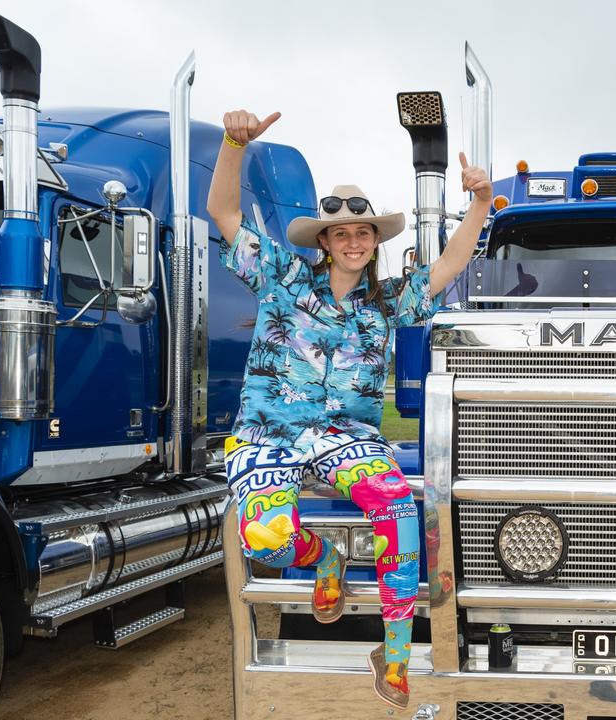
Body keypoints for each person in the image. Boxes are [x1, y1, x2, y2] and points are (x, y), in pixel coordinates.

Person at [206, 109, 491, 710]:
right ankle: (325, 555)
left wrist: (481, 201)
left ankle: (392, 659)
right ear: (326, 242)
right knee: (266, 541)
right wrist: (234, 144)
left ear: (374, 241)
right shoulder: (283, 278)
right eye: (342, 233)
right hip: (268, 432)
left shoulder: (390, 302)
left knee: (399, 511)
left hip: (345, 436)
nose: (354, 241)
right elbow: (224, 214)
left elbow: (452, 263)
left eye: (364, 232)